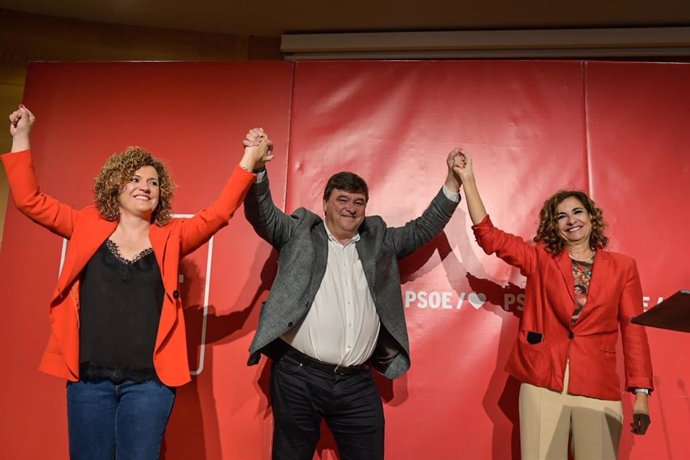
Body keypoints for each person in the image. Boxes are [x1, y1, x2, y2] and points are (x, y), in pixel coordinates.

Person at [4, 105, 273, 460]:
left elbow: (220, 213)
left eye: (153, 182)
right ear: (115, 186)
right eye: (134, 179)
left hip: (148, 386)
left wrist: (248, 160)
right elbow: (29, 200)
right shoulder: (85, 225)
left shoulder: (173, 236)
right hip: (88, 382)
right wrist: (21, 136)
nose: (145, 187)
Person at [241, 128, 463, 459]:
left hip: (357, 382)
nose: (351, 208)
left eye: (359, 202)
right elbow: (262, 213)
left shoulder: (380, 240)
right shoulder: (299, 232)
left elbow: (424, 227)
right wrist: (257, 167)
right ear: (326, 202)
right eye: (342, 199)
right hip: (297, 376)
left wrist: (453, 182)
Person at [454, 151, 653, 459]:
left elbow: (634, 331)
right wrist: (468, 180)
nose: (571, 220)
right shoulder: (541, 257)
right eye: (562, 216)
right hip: (543, 381)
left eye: (577, 212)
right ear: (554, 224)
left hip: (598, 385)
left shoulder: (623, 267)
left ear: (591, 217)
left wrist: (641, 394)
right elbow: (490, 237)